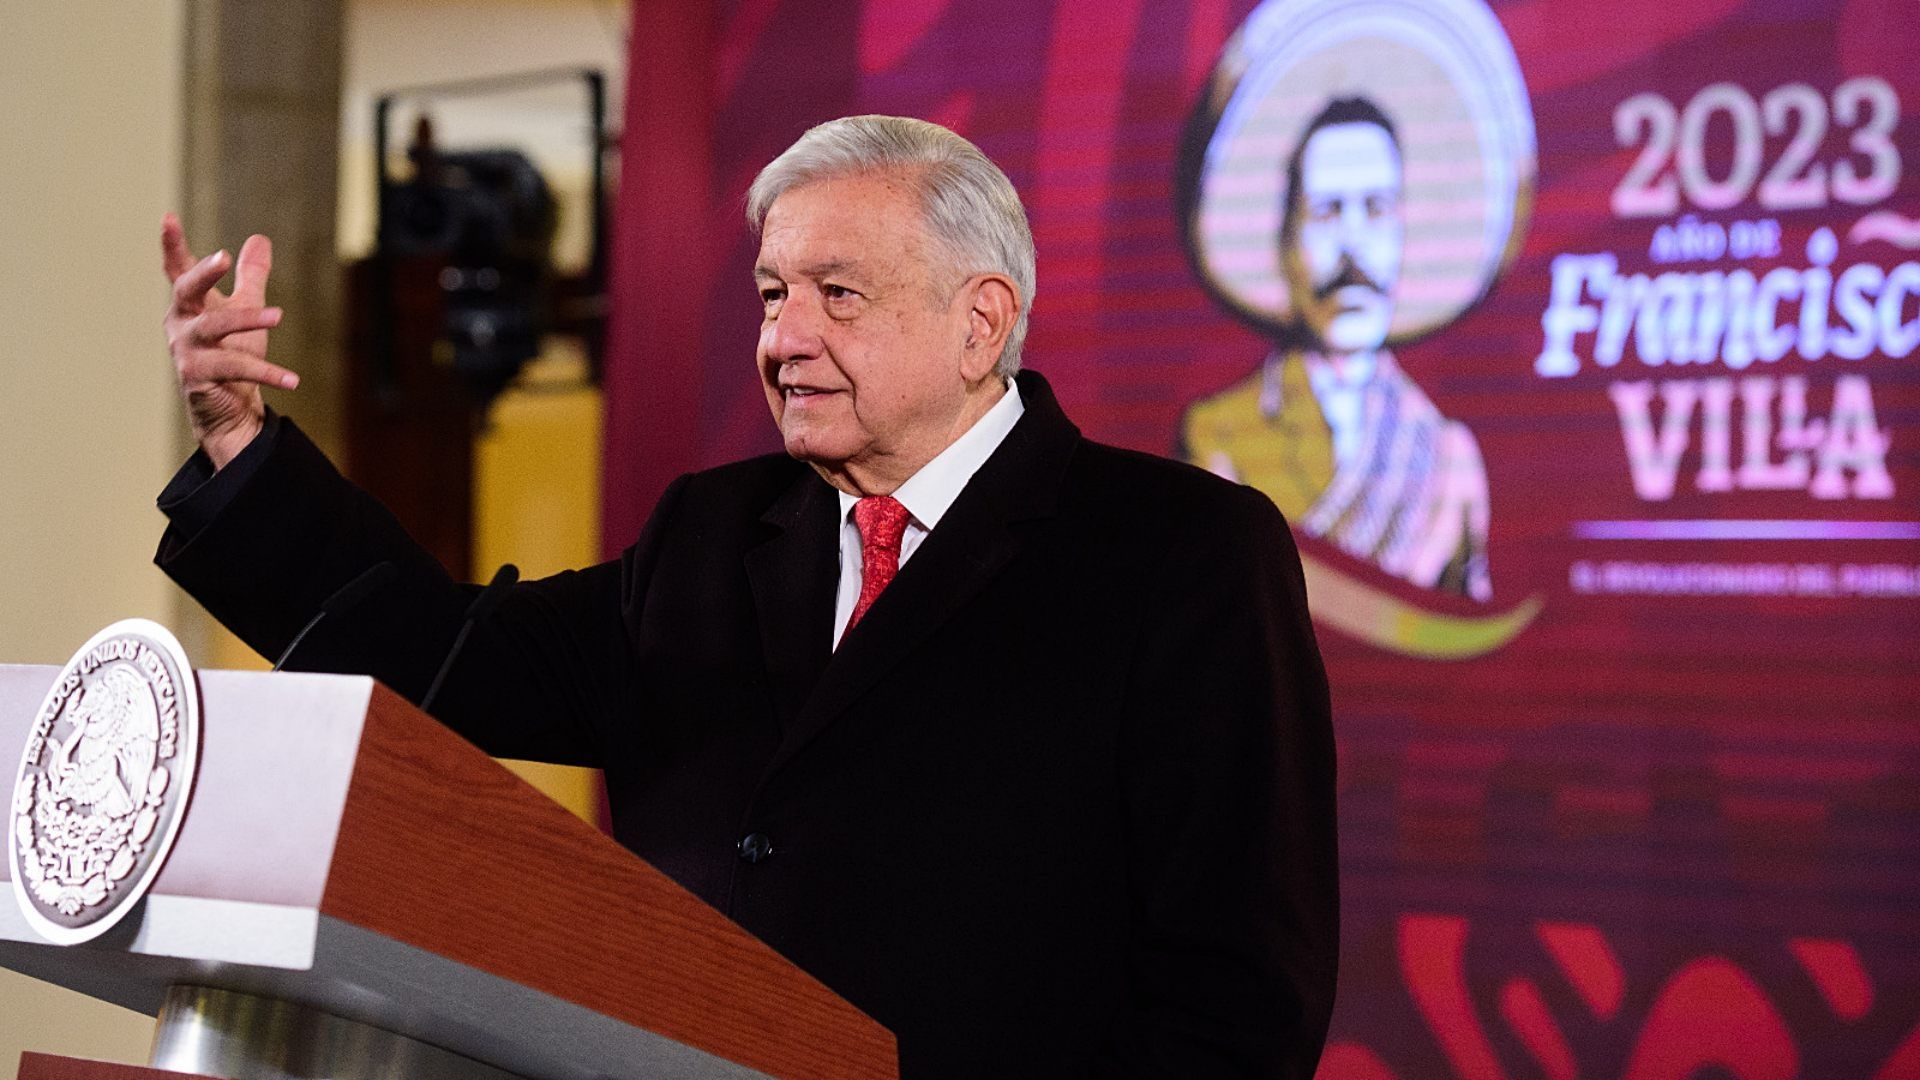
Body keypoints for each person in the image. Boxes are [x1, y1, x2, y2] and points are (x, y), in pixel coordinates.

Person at [156, 115, 1336, 1078]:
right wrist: (241, 449)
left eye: (837, 294)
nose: (783, 339)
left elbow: (1235, 999)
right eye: (773, 294)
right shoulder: (714, 533)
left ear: (981, 322)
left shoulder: (1180, 551)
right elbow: (445, 659)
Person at [1181, 97, 1493, 601]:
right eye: (1327, 212)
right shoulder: (1221, 436)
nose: (1353, 245)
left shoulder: (1445, 455)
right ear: (1286, 242)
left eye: (1375, 209)